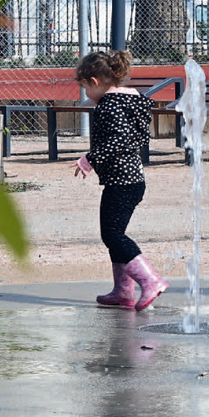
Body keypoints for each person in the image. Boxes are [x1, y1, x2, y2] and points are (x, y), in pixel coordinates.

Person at [73, 50, 168, 311]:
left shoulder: (109, 105)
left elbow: (118, 140)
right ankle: (123, 291)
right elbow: (136, 139)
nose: (86, 95)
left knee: (113, 234)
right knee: (114, 233)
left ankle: (150, 280)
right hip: (131, 179)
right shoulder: (134, 103)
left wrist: (90, 159)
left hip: (121, 181)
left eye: (84, 88)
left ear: (94, 82)